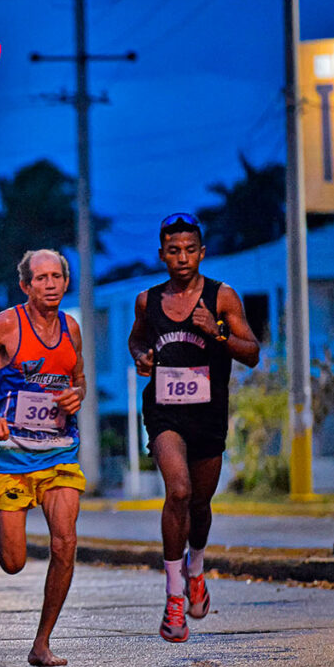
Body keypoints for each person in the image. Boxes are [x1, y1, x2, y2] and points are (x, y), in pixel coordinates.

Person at [0, 249, 87, 667]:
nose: (50, 284)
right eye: (40, 278)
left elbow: (78, 380)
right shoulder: (8, 324)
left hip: (59, 451)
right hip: (10, 456)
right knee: (14, 561)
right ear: (25, 285)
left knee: (65, 543)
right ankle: (1, 540)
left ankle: (42, 643)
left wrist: (75, 395)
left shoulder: (72, 328)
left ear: (66, 282)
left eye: (56, 276)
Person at [127, 213, 259, 643]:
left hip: (208, 414)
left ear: (202, 253)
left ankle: (196, 570)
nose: (181, 258)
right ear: (161, 254)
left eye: (189, 250)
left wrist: (217, 333)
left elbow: (252, 352)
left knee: (200, 504)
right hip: (165, 413)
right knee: (178, 491)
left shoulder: (222, 298)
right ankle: (173, 598)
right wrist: (142, 356)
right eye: (173, 250)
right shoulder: (147, 301)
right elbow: (137, 339)